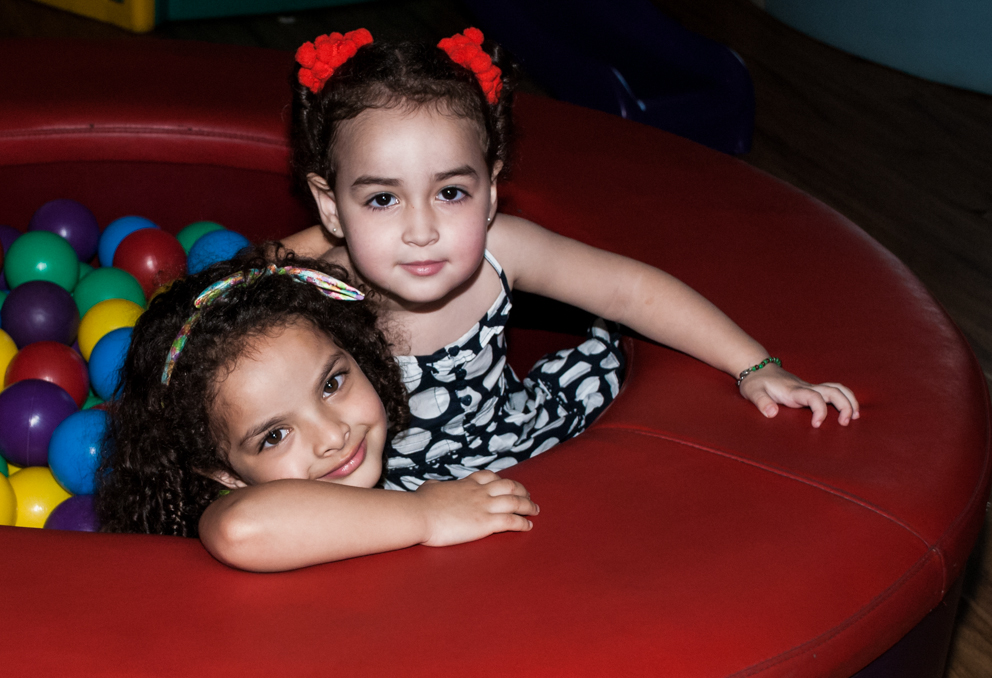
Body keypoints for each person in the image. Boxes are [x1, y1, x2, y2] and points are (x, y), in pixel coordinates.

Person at [284, 28, 859, 491]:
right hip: (389, 486)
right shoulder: (319, 286)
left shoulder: (503, 251)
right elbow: (234, 320)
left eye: (451, 192)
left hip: (519, 441)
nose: (421, 230)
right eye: (382, 200)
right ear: (331, 206)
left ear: (490, 191)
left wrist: (756, 368)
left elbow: (632, 291)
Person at [96, 246, 539, 571]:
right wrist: (426, 514)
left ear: (357, 354)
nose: (332, 436)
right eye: (274, 436)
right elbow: (241, 529)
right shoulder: (233, 512)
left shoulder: (421, 438)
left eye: (331, 384)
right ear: (224, 474)